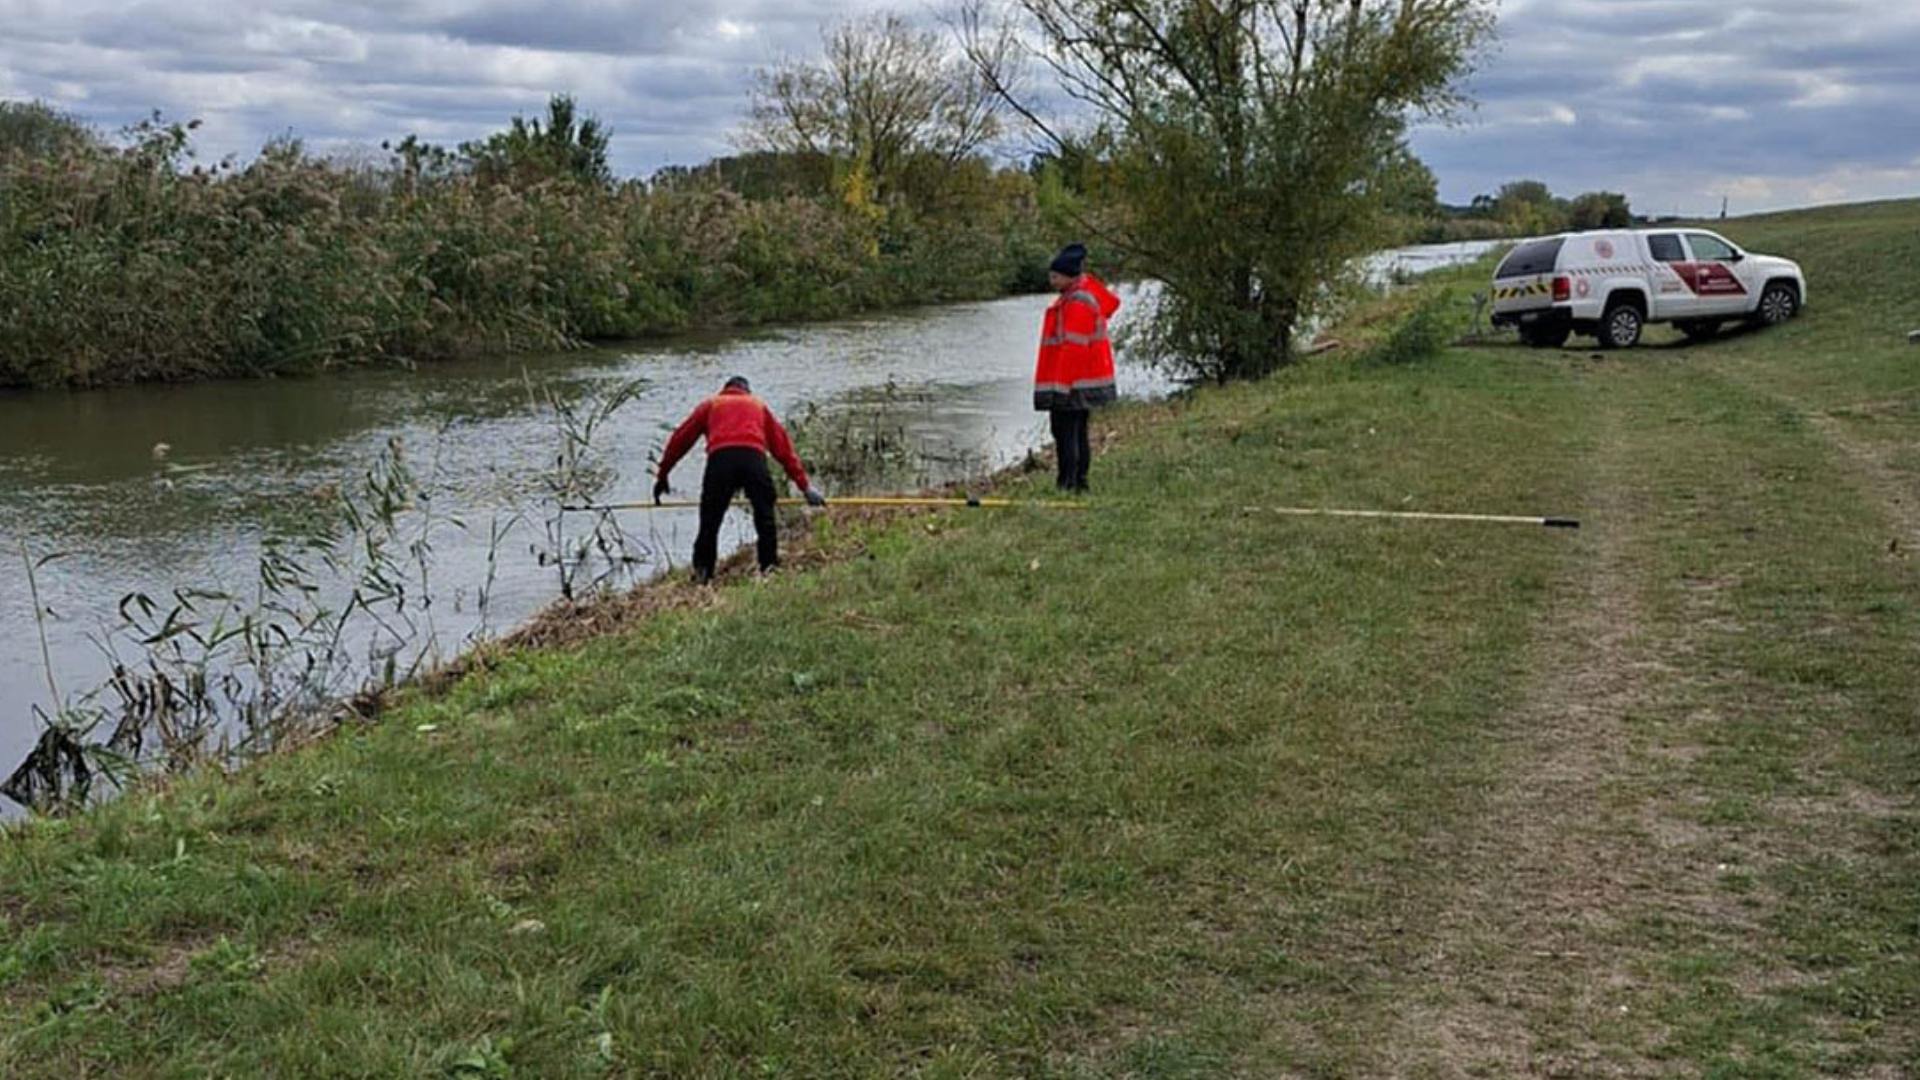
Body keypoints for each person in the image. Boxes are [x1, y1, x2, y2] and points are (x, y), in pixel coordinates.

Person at [654, 376, 826, 583]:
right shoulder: (757, 405)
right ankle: (769, 570)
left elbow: (680, 440)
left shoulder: (711, 404)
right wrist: (805, 487)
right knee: (765, 518)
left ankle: (703, 576)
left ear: (725, 389)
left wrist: (663, 475)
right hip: (753, 459)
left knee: (709, 523)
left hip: (720, 462)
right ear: (747, 390)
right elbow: (784, 449)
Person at [1034, 242, 1121, 492]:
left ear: (1069, 276)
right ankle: (1077, 483)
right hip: (1079, 382)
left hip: (1073, 384)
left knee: (1066, 434)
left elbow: (1074, 347)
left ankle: (1070, 483)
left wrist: (1060, 388)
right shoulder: (1075, 297)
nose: (1051, 281)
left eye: (1055, 276)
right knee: (1075, 432)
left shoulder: (1077, 302)